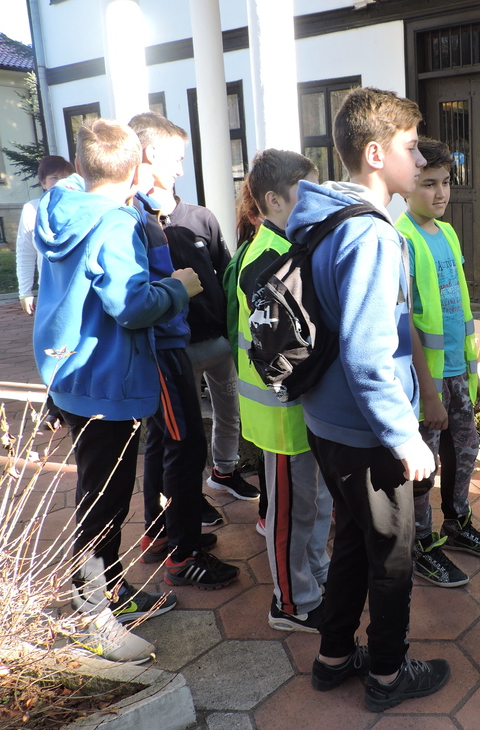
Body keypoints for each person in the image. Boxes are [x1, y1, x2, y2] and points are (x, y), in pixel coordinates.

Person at [286, 87, 450, 712]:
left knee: (354, 540)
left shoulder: (325, 217)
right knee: (392, 558)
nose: (420, 159)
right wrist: (405, 436)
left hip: (328, 421)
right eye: (411, 147)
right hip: (368, 432)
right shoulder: (372, 235)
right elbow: (367, 353)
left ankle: (333, 657)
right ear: (376, 154)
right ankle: (386, 673)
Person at [33, 118, 199, 661]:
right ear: (132, 171)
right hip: (107, 384)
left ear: (81, 166)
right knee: (103, 502)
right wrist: (177, 288)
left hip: (72, 376)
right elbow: (131, 306)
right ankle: (94, 615)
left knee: (97, 494)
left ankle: (111, 590)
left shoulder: (62, 207)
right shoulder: (115, 225)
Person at [128, 112, 238, 589]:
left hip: (171, 345)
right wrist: (177, 289)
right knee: (183, 446)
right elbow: (134, 300)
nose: (179, 168)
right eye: (175, 158)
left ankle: (164, 534)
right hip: (165, 348)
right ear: (149, 154)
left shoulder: (154, 213)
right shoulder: (135, 217)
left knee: (170, 443)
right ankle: (182, 554)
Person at [393, 137, 480, 589]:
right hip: (427, 380)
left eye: (445, 182)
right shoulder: (402, 238)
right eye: (429, 184)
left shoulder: (448, 232)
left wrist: (474, 374)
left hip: (458, 371)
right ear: (407, 185)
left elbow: (460, 311)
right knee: (425, 465)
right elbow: (407, 323)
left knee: (466, 447)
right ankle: (420, 542)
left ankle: (457, 521)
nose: (440, 193)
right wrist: (429, 392)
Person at [231, 149, 332, 632]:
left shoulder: (289, 246)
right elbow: (284, 348)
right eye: (305, 192)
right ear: (273, 200)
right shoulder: (267, 260)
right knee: (290, 512)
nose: (317, 201)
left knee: (314, 504)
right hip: (281, 412)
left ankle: (315, 574)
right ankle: (290, 602)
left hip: (300, 407)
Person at [224, 177, 270, 536]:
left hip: (259, 380)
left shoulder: (251, 253)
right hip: (264, 383)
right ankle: (267, 516)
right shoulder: (254, 259)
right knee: (273, 463)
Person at [17, 155, 74, 316]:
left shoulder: (82, 207)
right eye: (54, 178)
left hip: (77, 286)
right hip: (49, 290)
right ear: (43, 183)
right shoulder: (32, 209)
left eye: (65, 177)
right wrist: (25, 292)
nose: (61, 183)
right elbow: (25, 253)